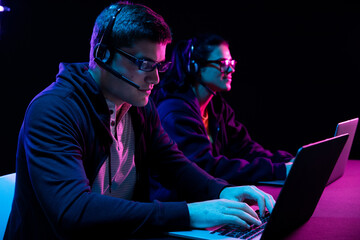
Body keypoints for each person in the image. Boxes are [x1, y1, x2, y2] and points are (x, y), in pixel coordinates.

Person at [4, 2, 275, 239]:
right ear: (103, 55)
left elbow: (175, 165)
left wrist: (222, 191)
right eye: (145, 64)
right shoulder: (54, 110)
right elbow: (74, 211)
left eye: (159, 66)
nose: (155, 79)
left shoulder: (139, 106)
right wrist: (189, 213)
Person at [151, 34, 294, 200]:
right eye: (223, 64)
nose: (231, 69)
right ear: (195, 67)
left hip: (208, 198)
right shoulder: (174, 112)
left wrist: (289, 160)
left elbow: (245, 148)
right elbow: (206, 166)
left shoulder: (216, 106)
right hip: (183, 205)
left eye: (231, 63)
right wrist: (279, 170)